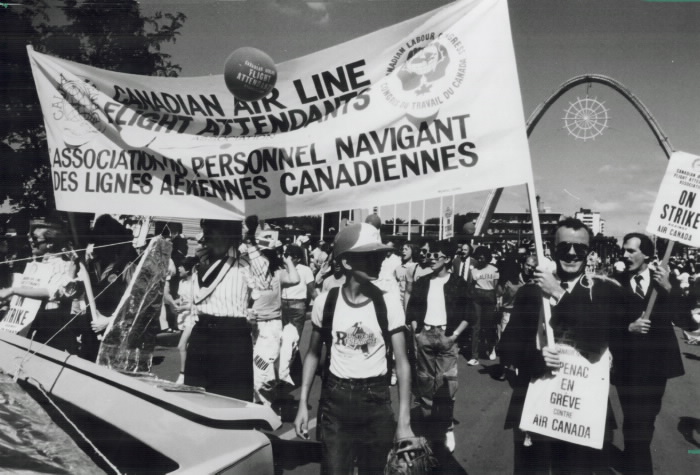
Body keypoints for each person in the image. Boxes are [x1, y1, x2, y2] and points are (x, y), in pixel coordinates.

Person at [504, 217, 625, 473]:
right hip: (537, 407)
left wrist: (559, 293)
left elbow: (597, 336)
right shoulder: (529, 292)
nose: (571, 254)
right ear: (551, 249)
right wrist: (536, 358)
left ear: (589, 253)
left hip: (582, 412)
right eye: (564, 247)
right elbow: (506, 348)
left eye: (579, 248)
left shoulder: (605, 291)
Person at [294, 223, 414, 474]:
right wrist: (303, 403)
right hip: (336, 403)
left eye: (381, 255)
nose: (381, 261)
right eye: (371, 256)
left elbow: (402, 363)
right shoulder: (326, 302)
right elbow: (313, 354)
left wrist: (404, 422)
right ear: (347, 263)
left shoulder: (389, 301)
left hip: (377, 402)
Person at [613, 233, 699, 474]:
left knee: (647, 416)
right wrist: (628, 327)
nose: (625, 255)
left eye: (631, 251)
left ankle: (635, 461)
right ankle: (638, 465)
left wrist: (669, 288)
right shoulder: (614, 281)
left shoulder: (663, 281)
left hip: (656, 366)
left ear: (647, 255)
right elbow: (602, 322)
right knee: (632, 417)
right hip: (626, 364)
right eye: (624, 249)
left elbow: (686, 322)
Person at [179, 218, 266, 401]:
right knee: (196, 396)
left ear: (228, 234)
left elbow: (263, 280)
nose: (207, 234)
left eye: (213, 229)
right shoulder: (199, 263)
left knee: (230, 397)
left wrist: (250, 238)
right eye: (206, 229)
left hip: (231, 335)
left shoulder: (242, 264)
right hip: (201, 333)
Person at [406, 240, 469, 453]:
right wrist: (417, 332)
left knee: (447, 386)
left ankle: (447, 428)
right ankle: (427, 430)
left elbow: (470, 314)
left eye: (436, 255)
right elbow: (412, 309)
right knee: (424, 384)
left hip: (447, 337)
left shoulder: (459, 283)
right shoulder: (423, 281)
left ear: (448, 259)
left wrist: (454, 336)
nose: (431, 258)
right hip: (425, 335)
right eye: (430, 254)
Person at [0, 220, 80, 353]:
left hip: (49, 327)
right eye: (30, 238)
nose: (31, 241)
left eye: (36, 239)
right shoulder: (34, 264)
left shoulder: (61, 264)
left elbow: (52, 292)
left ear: (50, 243)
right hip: (27, 324)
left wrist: (13, 291)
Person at [248, 247, 300, 405]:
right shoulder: (250, 276)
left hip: (271, 326)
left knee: (263, 365)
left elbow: (295, 279)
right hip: (253, 325)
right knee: (255, 363)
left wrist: (288, 260)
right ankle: (259, 400)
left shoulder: (277, 275)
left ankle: (267, 404)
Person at [278, 244, 315, 386]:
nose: (285, 258)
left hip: (297, 306)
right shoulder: (282, 270)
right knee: (281, 340)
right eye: (285, 255)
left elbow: (311, 290)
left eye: (289, 256)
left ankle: (289, 373)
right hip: (282, 306)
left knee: (293, 341)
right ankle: (284, 370)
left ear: (298, 259)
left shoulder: (305, 270)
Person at [467, 246, 500, 365]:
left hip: (490, 296)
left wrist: (496, 300)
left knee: (489, 325)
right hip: (477, 298)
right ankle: (474, 356)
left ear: (487, 257)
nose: (480, 259)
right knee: (475, 326)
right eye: (478, 257)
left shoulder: (494, 269)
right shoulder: (474, 270)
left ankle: (491, 348)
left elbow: (496, 286)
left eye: (482, 257)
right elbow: (472, 284)